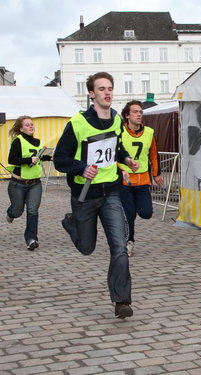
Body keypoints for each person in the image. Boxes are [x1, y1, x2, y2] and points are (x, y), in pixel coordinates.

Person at [53, 72, 139, 319]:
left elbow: (116, 148)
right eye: (101, 89)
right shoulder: (78, 123)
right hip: (85, 194)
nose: (107, 93)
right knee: (87, 248)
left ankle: (121, 301)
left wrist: (126, 159)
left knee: (119, 247)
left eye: (110, 88)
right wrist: (82, 168)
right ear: (91, 93)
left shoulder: (115, 119)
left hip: (111, 191)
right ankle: (72, 224)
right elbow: (60, 159)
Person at [119, 100, 164, 256]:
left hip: (143, 180)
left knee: (146, 213)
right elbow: (114, 156)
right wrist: (120, 170)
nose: (139, 115)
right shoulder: (120, 133)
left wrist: (156, 174)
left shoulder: (149, 132)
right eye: (135, 112)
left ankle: (126, 214)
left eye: (140, 112)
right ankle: (128, 242)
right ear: (127, 115)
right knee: (129, 215)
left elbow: (154, 155)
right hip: (125, 181)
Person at [5, 116, 52, 251]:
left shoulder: (38, 142)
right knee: (18, 211)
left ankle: (31, 239)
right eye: (27, 125)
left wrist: (49, 157)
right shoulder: (17, 141)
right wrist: (28, 160)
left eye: (32, 124)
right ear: (21, 129)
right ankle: (11, 213)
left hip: (35, 184)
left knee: (33, 211)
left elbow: (38, 157)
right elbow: (11, 159)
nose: (31, 126)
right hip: (17, 184)